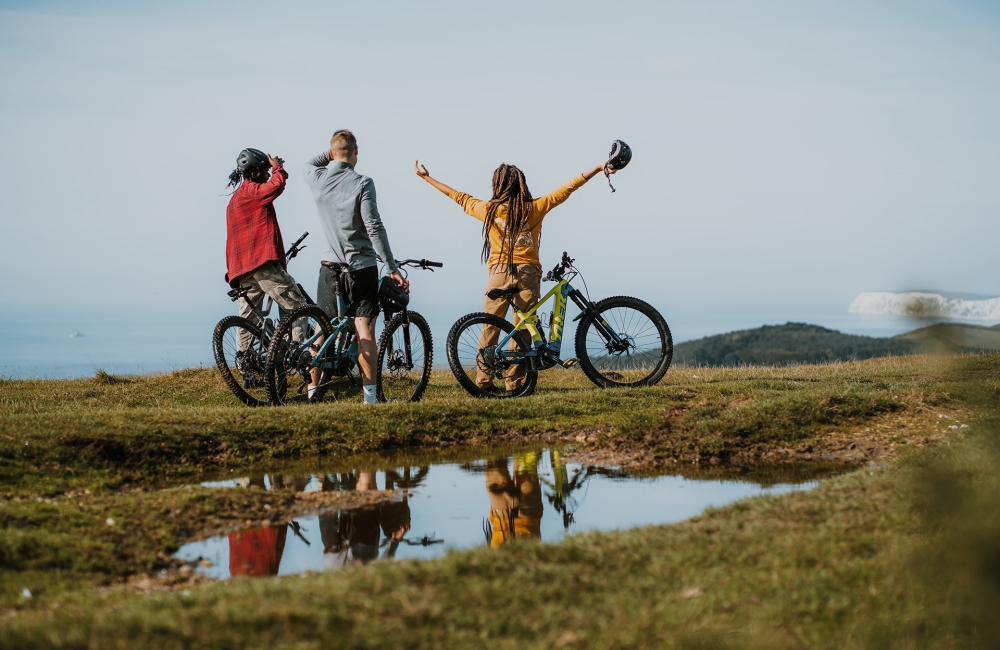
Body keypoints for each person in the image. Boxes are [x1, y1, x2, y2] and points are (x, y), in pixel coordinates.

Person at [414, 157, 613, 393]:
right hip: (528, 274)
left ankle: (483, 382)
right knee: (522, 329)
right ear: (522, 185)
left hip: (498, 272)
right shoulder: (534, 207)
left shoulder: (488, 210)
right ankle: (513, 384)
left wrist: (426, 178)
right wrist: (597, 168)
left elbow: (457, 196)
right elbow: (567, 188)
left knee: (490, 327)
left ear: (496, 186)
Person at [304, 130, 408, 405]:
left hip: (329, 266)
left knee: (320, 330)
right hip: (361, 266)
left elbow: (308, 164)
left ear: (331, 153)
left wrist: (329, 155)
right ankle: (369, 398)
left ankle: (313, 394)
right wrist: (392, 266)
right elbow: (373, 226)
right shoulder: (363, 182)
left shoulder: (317, 179)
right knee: (365, 330)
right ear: (357, 151)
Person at [224, 148, 314, 391]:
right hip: (261, 263)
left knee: (248, 319)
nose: (265, 174)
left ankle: (246, 370)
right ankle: (298, 352)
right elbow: (276, 186)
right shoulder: (252, 191)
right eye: (262, 171)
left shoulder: (235, 200)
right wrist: (277, 167)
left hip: (241, 269)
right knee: (296, 303)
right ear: (252, 173)